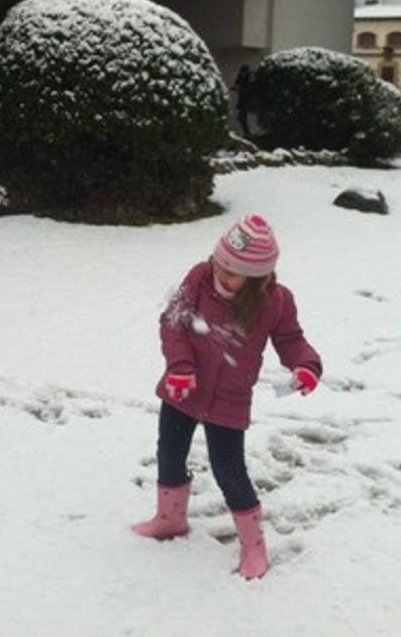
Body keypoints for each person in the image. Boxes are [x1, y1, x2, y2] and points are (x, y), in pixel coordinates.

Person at [131, 214, 323, 580]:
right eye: (218, 262)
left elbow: (291, 340)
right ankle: (170, 519)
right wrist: (181, 365)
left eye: (232, 271)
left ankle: (254, 546)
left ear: (257, 278)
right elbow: (173, 321)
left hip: (229, 400)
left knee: (229, 470)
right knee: (169, 453)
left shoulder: (275, 302)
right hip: (182, 389)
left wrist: (306, 366)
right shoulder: (199, 278)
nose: (221, 273)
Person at [231, 64, 254, 137]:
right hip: (243, 100)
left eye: (242, 72)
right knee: (241, 117)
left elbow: (248, 89)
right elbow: (237, 84)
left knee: (241, 117)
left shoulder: (249, 79)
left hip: (247, 101)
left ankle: (247, 133)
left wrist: (239, 89)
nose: (241, 73)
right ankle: (247, 132)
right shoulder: (241, 78)